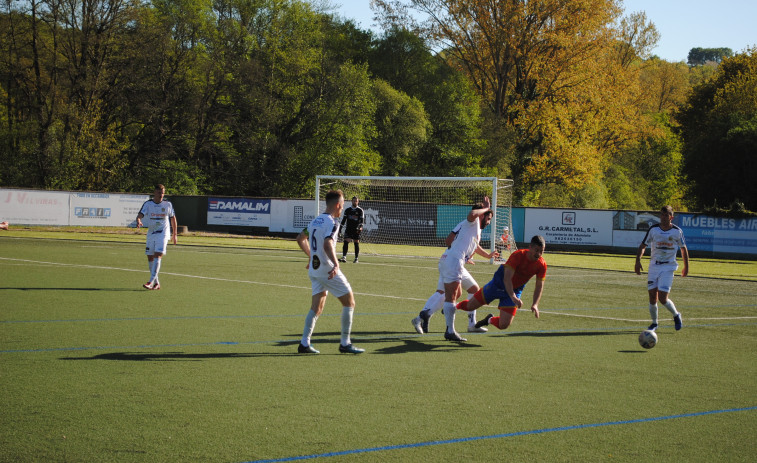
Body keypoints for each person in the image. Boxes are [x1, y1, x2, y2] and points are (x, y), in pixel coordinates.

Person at [296, 190, 364, 354]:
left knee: (316, 307)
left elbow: (300, 238)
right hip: (326, 269)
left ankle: (304, 343)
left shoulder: (315, 221)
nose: (342, 208)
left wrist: (312, 257)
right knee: (349, 302)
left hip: (315, 269)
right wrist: (336, 264)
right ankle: (345, 343)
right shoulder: (333, 223)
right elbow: (327, 244)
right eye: (342, 204)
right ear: (338, 205)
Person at [423, 197, 498, 342]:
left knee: (473, 289)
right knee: (450, 296)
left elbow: (475, 246)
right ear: (482, 215)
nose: (488, 223)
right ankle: (449, 330)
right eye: (488, 219)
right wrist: (487, 208)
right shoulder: (473, 221)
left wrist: (487, 255)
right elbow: (472, 214)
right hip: (453, 261)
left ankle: (472, 325)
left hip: (457, 261)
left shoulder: (477, 229)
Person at [411, 227, 493, 335]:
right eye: (487, 218)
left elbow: (473, 245)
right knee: (457, 292)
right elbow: (464, 244)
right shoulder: (470, 226)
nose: (488, 221)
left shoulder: (474, 229)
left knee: (446, 292)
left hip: (449, 262)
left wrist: (484, 256)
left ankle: (421, 318)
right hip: (452, 263)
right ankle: (424, 317)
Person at [458, 235, 547, 331]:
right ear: (530, 247)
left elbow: (539, 286)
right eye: (536, 250)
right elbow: (507, 279)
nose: (539, 254)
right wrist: (513, 297)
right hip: (498, 284)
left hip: (515, 289)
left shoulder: (541, 265)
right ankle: (453, 306)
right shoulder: (518, 255)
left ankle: (489, 320)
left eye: (541, 251)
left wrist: (535, 304)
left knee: (503, 324)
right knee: (470, 306)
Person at [635, 205, 689, 331]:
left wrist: (686, 266)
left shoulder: (677, 231)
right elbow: (643, 245)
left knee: (663, 298)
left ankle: (676, 315)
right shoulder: (653, 229)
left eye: (666, 215)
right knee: (652, 295)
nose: (663, 218)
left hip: (668, 267)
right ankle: (654, 323)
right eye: (662, 215)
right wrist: (638, 261)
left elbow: (683, 248)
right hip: (654, 266)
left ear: (671, 217)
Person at [136, 184, 177, 290]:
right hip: (151, 234)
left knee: (158, 255)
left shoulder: (167, 204)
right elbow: (140, 214)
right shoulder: (148, 204)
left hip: (163, 233)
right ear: (155, 192)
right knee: (150, 257)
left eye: (163, 193)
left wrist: (175, 234)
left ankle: (150, 281)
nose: (161, 195)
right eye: (159, 192)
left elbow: (173, 219)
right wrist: (139, 220)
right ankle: (156, 283)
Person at [339, 196, 364, 263]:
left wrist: (360, 227)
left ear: (358, 202)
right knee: (346, 241)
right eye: (354, 201)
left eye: (356, 201)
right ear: (351, 201)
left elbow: (362, 221)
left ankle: (356, 258)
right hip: (348, 229)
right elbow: (343, 220)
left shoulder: (360, 210)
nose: (355, 202)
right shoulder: (347, 210)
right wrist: (340, 229)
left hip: (356, 229)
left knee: (356, 243)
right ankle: (344, 257)